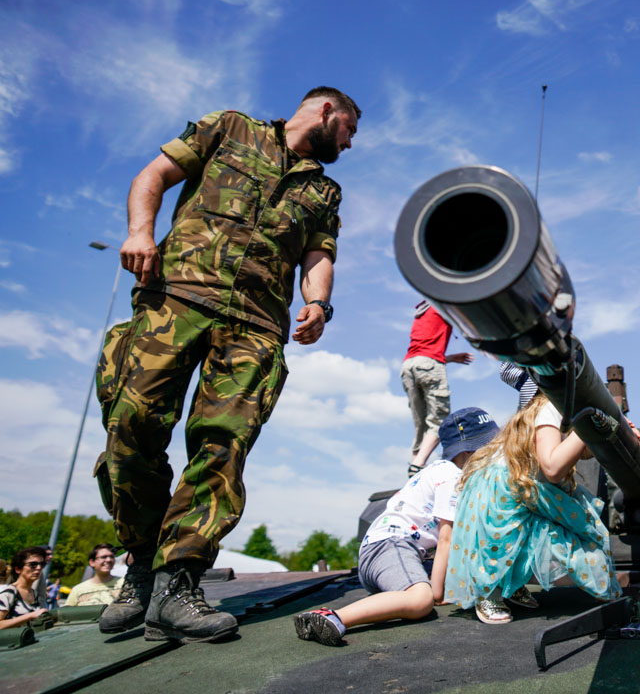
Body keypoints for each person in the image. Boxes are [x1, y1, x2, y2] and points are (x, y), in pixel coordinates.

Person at [94, 86, 360, 643]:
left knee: (223, 446)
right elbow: (154, 176)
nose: (350, 143)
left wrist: (318, 304)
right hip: (176, 297)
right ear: (327, 111)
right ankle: (142, 565)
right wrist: (141, 232)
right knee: (130, 427)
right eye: (349, 130)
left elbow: (318, 255)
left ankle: (177, 583)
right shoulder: (229, 127)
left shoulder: (324, 190)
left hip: (256, 326)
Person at [292, 407, 501, 646]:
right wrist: (437, 593)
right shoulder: (452, 476)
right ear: (467, 451)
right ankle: (333, 617)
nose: (494, 456)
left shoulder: (437, 469)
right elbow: (447, 539)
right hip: (391, 546)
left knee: (453, 579)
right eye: (489, 448)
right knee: (421, 600)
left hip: (389, 554)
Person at [443, 391, 635, 624]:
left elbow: (580, 452)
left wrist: (611, 431)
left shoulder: (556, 412)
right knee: (503, 543)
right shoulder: (549, 409)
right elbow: (553, 468)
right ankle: (489, 589)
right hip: (504, 497)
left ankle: (510, 582)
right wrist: (591, 420)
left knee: (532, 540)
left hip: (520, 492)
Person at [401, 300, 474, 477]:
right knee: (439, 421)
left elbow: (424, 350)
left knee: (421, 425)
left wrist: (449, 358)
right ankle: (417, 466)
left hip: (409, 366)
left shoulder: (422, 310)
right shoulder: (442, 302)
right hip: (429, 366)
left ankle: (414, 469)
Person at [0, 548, 49, 630]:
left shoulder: (34, 593)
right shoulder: (9, 593)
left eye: (42, 564)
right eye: (33, 564)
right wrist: (30, 616)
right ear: (18, 569)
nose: (39, 568)